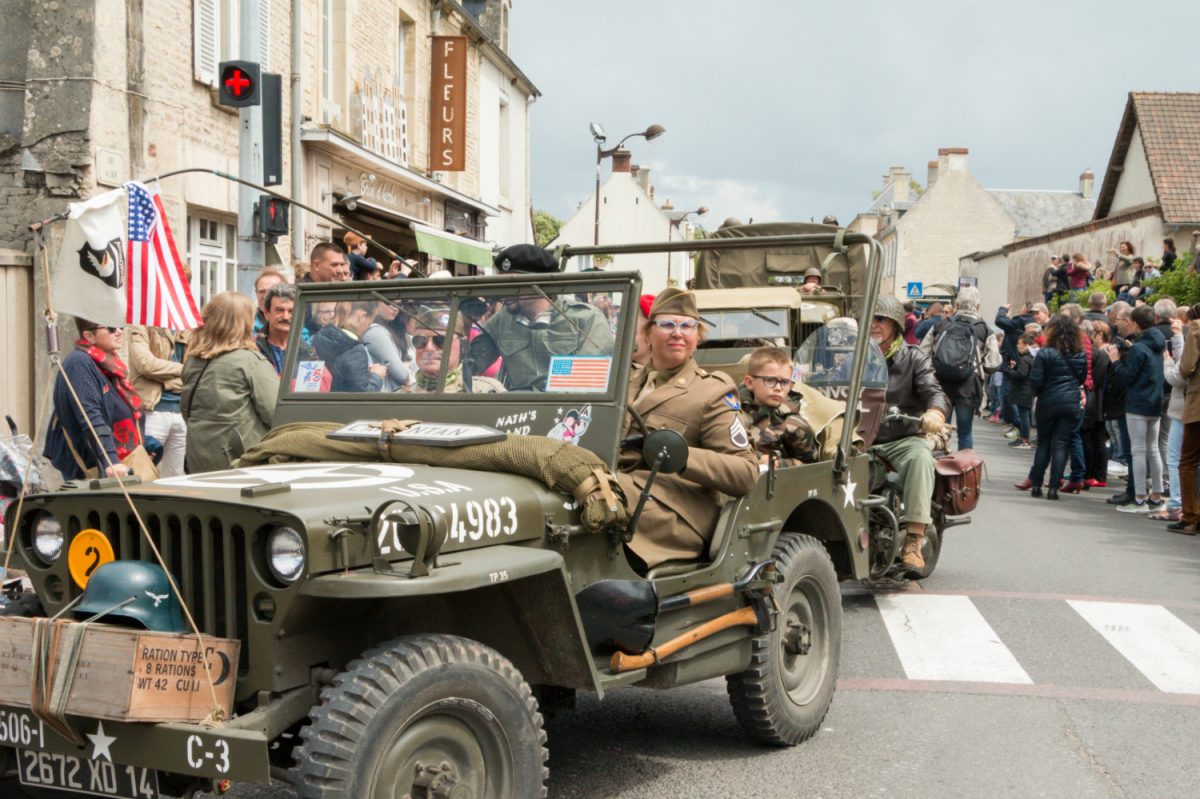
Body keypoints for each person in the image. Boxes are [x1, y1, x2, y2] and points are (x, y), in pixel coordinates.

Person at [616, 288, 758, 570]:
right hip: (623, 494)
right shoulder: (622, 383)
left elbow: (745, 471)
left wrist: (680, 456)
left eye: (687, 326)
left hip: (677, 513)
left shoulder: (712, 392)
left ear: (697, 338)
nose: (677, 333)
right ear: (647, 334)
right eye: (667, 324)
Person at [870, 295, 951, 573]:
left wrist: (935, 413)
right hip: (856, 438)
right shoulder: (851, 357)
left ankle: (914, 540)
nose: (873, 324)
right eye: (868, 318)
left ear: (894, 324)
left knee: (920, 458)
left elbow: (934, 390)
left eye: (880, 319)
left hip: (899, 439)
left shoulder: (913, 358)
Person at [466, 244, 615, 390]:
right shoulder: (502, 320)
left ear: (539, 284)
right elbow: (467, 364)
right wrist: (462, 323)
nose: (505, 291)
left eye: (513, 284)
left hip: (567, 412)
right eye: (502, 283)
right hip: (515, 412)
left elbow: (589, 383)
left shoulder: (586, 319)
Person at [180, 292, 279, 474]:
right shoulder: (250, 361)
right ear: (244, 323)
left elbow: (186, 411)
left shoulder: (193, 361)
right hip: (240, 460)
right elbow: (276, 414)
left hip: (198, 457)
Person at [44, 319, 144, 480]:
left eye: (120, 326)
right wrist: (110, 460)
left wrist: (147, 444)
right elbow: (91, 416)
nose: (119, 331)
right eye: (111, 327)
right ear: (89, 336)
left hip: (121, 464)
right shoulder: (79, 363)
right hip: (96, 469)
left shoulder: (109, 365)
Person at [919, 286, 1000, 450]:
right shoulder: (984, 329)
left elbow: (922, 353)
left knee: (938, 430)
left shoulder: (941, 325)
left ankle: (936, 468)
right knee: (965, 432)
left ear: (957, 303)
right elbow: (993, 363)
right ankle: (962, 472)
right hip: (967, 388)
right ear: (978, 305)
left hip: (940, 385)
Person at [1015, 316, 1086, 500]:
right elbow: (1082, 377)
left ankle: (1037, 484)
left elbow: (1036, 381)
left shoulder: (1045, 353)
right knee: (1061, 445)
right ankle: (1053, 488)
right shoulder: (1079, 353)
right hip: (1071, 401)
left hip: (1048, 400)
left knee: (1044, 443)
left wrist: (1041, 392)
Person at [1104, 304, 1165, 512]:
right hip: (1154, 403)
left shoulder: (1139, 347)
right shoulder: (1158, 343)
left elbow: (1127, 377)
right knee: (1153, 450)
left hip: (1138, 403)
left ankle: (1139, 498)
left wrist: (1115, 361)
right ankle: (1156, 497)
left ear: (1135, 323)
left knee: (1138, 451)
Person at [126, 323, 191, 477]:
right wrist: (183, 369)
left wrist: (166, 379)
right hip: (151, 411)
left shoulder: (187, 323)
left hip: (181, 411)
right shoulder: (140, 322)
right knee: (143, 474)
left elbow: (196, 372)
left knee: (176, 478)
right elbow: (146, 365)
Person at [737, 347, 818, 466]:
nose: (778, 388)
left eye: (785, 382)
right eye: (770, 380)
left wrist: (778, 464)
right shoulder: (731, 411)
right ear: (749, 382)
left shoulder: (793, 425)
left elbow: (813, 468)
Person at [404, 308, 505, 394]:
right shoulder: (399, 397)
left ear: (463, 346)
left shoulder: (487, 392)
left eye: (441, 340)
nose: (429, 348)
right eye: (420, 340)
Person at [313, 301, 388, 393]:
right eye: (369, 323)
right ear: (362, 316)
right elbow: (363, 394)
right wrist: (377, 375)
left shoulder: (321, 339)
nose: (367, 328)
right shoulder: (354, 349)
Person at [1171, 303, 1200, 535]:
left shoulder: (1196, 328)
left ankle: (1191, 516)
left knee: (1187, 462)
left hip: (1198, 403)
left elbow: (1187, 367)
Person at [1158, 318, 1187, 522]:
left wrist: (1167, 361)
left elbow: (1178, 375)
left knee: (1175, 457)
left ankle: (1177, 504)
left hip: (1184, 408)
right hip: (1185, 408)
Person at [363, 300, 413, 391]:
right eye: (389, 302)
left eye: (398, 304)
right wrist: (408, 367)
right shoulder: (375, 332)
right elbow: (402, 375)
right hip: (385, 396)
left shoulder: (397, 332)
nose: (394, 308)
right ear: (376, 303)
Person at [1002, 334, 1035, 449]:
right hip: (1025, 390)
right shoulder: (1028, 358)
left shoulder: (1025, 359)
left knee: (1024, 415)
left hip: (1024, 391)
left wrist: (1010, 371)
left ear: (1026, 345)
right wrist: (1015, 368)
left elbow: (1021, 375)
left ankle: (1024, 439)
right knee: (1023, 415)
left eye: (1019, 343)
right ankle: (1022, 437)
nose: (1017, 346)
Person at [253, 267, 286, 334]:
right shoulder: (246, 327)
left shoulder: (295, 325)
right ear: (256, 293)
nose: (266, 296)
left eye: (272, 291)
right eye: (262, 291)